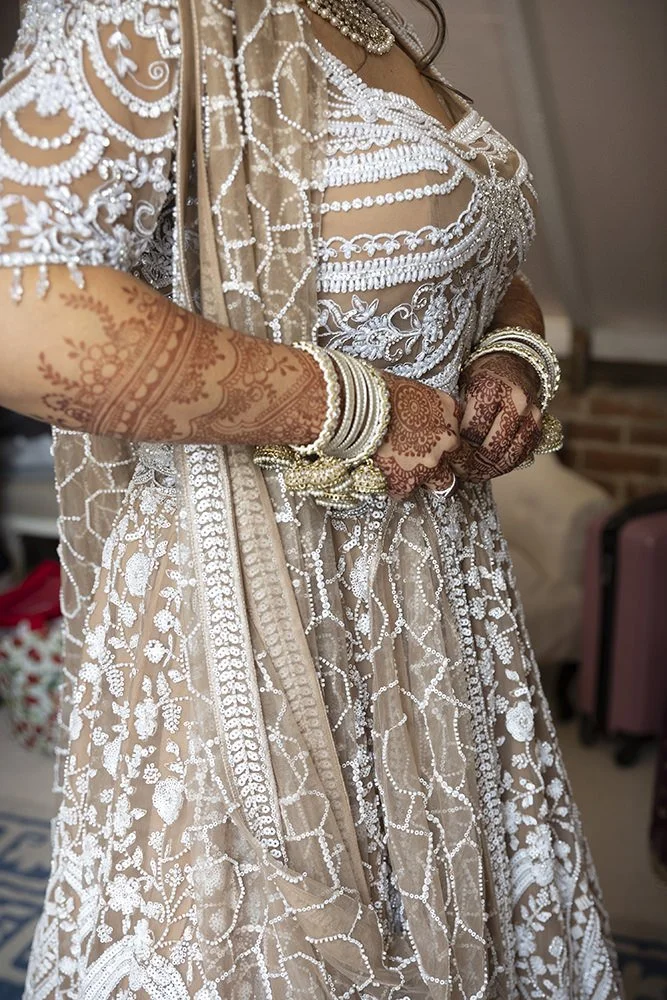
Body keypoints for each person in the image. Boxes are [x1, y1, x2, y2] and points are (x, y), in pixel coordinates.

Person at [0, 0, 623, 996]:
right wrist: (356, 408)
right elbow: (19, 313)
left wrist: (511, 356)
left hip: (443, 608)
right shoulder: (149, 14)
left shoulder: (365, 22)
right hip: (254, 602)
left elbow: (472, 258)